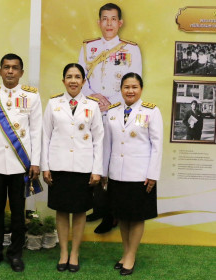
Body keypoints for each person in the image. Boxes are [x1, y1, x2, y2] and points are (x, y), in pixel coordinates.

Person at [78, 2, 142, 234]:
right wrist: (93, 97)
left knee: (110, 161)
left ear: (120, 23)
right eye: (104, 19)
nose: (108, 24)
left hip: (116, 112)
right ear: (99, 22)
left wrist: (111, 101)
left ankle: (111, 214)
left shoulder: (131, 49)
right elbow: (80, 78)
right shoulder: (88, 47)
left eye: (113, 19)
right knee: (92, 158)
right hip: (92, 111)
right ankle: (97, 206)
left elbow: (134, 81)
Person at [0, 53, 42, 272]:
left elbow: (36, 131)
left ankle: (15, 254)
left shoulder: (31, 96)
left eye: (15, 68)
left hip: (19, 165)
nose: (10, 71)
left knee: (17, 213)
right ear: (0, 71)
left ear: (21, 73)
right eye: (6, 67)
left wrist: (35, 162)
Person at [41, 63, 104, 272]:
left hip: (83, 167)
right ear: (63, 80)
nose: (73, 80)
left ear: (84, 81)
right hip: (58, 167)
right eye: (69, 76)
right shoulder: (53, 104)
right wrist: (45, 166)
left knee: (79, 212)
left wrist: (97, 170)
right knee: (61, 210)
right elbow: (45, 137)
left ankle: (75, 253)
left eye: (78, 77)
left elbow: (98, 140)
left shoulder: (92, 106)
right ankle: (63, 253)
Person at [102, 72, 163, 276]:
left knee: (136, 218)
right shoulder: (112, 112)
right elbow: (107, 146)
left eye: (134, 87)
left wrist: (152, 174)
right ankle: (126, 252)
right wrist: (104, 173)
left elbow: (157, 146)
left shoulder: (151, 112)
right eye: (127, 87)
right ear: (121, 89)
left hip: (140, 175)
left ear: (141, 89)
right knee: (122, 216)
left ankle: (131, 255)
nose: (130, 91)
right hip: (117, 174)